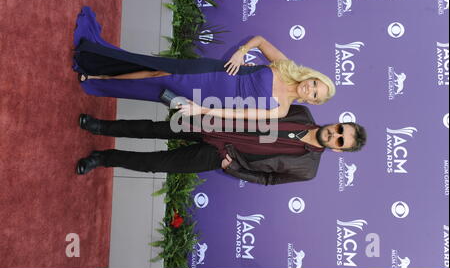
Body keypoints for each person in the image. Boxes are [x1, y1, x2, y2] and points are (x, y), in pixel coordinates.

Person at [73, 6, 336, 120]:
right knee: (158, 70)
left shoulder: (281, 110)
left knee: (155, 87)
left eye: (314, 94)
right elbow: (259, 40)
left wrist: (203, 110)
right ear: (312, 77)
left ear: (312, 101)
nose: (310, 89)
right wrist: (241, 52)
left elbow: (240, 114)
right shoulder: (285, 65)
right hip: (213, 72)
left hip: (209, 97)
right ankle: (99, 70)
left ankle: (101, 81)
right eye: (315, 83)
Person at [75, 105, 367, 185]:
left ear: (339, 149)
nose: (335, 135)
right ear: (338, 122)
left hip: (220, 155)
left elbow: (268, 179)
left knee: (155, 164)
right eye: (341, 129)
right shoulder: (301, 113)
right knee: (154, 128)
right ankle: (101, 126)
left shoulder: (307, 169)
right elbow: (257, 108)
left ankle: (102, 158)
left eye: (341, 140)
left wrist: (233, 169)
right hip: (217, 125)